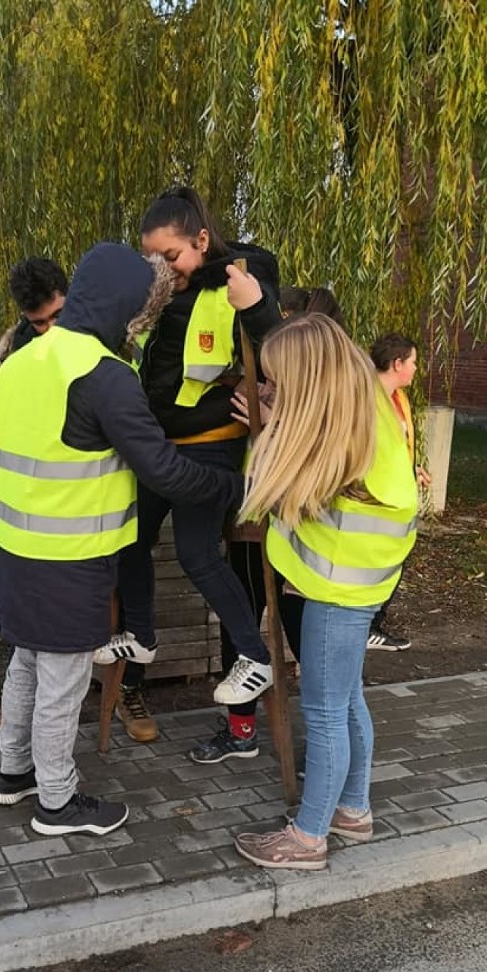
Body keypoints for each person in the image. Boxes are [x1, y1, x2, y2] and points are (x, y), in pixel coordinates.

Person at [0, 242, 246, 837]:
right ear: (124, 309)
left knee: (26, 660)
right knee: (65, 676)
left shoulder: (20, 360)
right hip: (69, 557)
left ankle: (13, 772)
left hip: (13, 546)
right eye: (138, 314)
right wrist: (232, 486)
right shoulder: (107, 377)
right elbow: (163, 470)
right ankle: (56, 800)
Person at [93, 186, 281, 743]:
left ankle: (254, 656)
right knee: (131, 537)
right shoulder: (158, 295)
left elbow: (282, 348)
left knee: (199, 554)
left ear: (201, 240)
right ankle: (141, 634)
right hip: (158, 445)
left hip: (210, 446)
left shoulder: (241, 281)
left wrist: (259, 308)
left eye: (171, 256)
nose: (163, 268)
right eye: (152, 259)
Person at [233, 314, 418, 870]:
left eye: (276, 381)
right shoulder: (361, 411)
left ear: (307, 378)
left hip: (340, 590)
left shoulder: (337, 432)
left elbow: (277, 494)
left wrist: (266, 431)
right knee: (345, 699)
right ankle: (354, 810)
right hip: (360, 584)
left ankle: (308, 837)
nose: (269, 390)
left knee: (324, 710)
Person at [187, 283, 349, 764]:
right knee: (241, 629)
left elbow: (322, 462)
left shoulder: (334, 395)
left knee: (301, 627)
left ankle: (323, 734)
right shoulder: (265, 376)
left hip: (299, 530)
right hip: (252, 522)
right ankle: (241, 731)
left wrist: (278, 424)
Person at [0, 257, 69, 740]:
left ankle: (132, 692)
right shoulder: (19, 355)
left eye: (55, 319)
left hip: (83, 511)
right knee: (28, 630)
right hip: (31, 514)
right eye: (36, 322)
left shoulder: (102, 343)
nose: (46, 330)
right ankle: (10, 710)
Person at [365, 332, 431, 651]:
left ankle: (371, 624)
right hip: (374, 508)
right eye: (413, 362)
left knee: (394, 565)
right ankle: (368, 625)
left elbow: (391, 450)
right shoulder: (368, 400)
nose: (417, 368)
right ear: (397, 363)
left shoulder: (397, 399)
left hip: (394, 504)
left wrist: (410, 470)